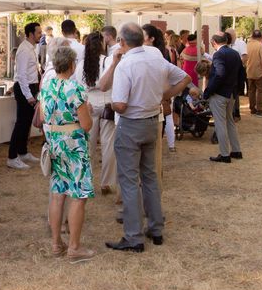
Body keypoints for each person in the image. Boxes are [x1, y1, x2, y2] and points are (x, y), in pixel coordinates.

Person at [106, 23, 190, 253]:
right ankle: (156, 228)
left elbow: (121, 105)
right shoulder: (156, 58)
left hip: (132, 124)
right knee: (150, 177)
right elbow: (184, 78)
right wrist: (164, 96)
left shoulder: (126, 65)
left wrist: (111, 103)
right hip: (152, 122)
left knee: (130, 181)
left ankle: (133, 236)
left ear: (122, 42)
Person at [40, 46, 95, 263]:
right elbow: (87, 125)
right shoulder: (76, 89)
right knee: (79, 195)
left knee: (57, 192)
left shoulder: (47, 87)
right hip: (74, 145)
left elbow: (44, 116)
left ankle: (56, 244)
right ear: (72, 65)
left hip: (54, 143)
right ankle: (74, 247)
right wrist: (87, 111)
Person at [75, 32, 117, 195]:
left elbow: (79, 87)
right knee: (108, 145)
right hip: (106, 103)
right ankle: (106, 182)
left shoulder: (81, 65)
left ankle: (87, 180)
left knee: (88, 145)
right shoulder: (108, 62)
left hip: (89, 104)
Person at [203, 33, 243, 163]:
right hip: (231, 92)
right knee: (230, 122)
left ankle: (224, 154)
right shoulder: (235, 53)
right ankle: (236, 150)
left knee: (220, 124)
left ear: (214, 42)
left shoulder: (219, 54)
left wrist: (208, 91)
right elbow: (241, 73)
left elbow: (219, 74)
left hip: (220, 93)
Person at [8, 22, 42, 170]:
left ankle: (22, 152)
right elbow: (21, 76)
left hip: (31, 87)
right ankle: (12, 157)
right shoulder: (24, 50)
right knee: (21, 123)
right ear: (30, 34)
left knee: (27, 122)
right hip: (24, 88)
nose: (41, 35)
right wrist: (28, 95)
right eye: (38, 33)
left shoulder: (31, 48)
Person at [142, 24, 177, 154]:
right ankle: (167, 145)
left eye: (143, 35)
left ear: (151, 39)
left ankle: (163, 146)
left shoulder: (160, 53)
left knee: (163, 117)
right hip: (158, 92)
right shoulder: (163, 51)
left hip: (159, 91)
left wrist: (167, 94)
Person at [246, 30, 262, 117]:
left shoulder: (247, 45)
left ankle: (252, 108)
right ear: (260, 37)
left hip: (249, 71)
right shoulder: (260, 45)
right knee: (261, 91)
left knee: (251, 91)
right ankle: (260, 110)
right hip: (259, 72)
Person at [226, 28, 247, 121]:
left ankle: (236, 113)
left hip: (238, 71)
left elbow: (245, 57)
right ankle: (231, 112)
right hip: (229, 71)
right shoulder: (228, 44)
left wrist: (236, 67)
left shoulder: (241, 43)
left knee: (235, 91)